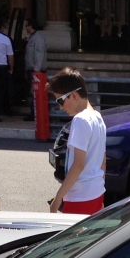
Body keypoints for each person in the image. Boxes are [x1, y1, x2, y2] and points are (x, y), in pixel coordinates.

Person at [47, 68, 106, 214]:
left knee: (72, 236)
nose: (60, 107)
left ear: (73, 96)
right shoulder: (97, 117)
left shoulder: (80, 120)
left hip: (80, 196)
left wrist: (58, 198)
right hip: (96, 191)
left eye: (60, 100)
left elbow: (78, 164)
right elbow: (103, 160)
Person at [22, 19, 47, 122]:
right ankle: (33, 113)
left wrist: (37, 70)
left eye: (27, 25)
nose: (26, 28)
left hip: (36, 70)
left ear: (31, 26)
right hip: (30, 69)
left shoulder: (38, 38)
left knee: (34, 93)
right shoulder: (33, 37)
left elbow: (39, 54)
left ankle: (34, 113)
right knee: (32, 93)